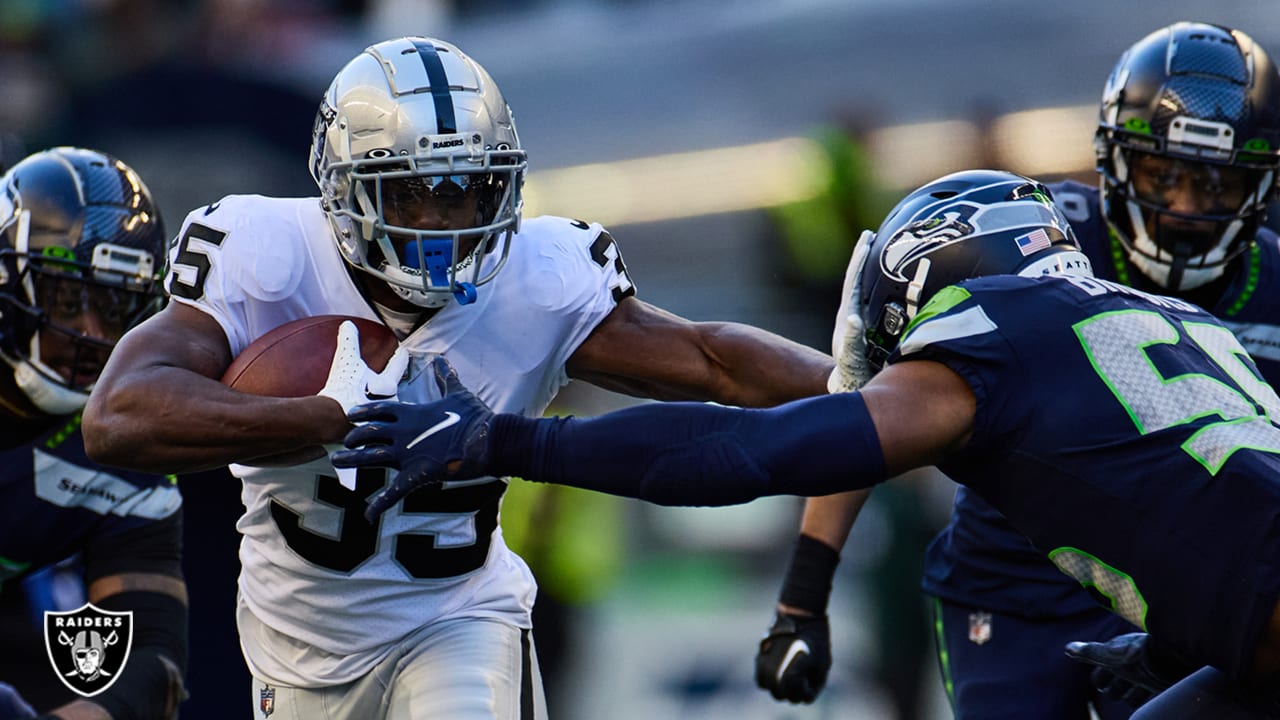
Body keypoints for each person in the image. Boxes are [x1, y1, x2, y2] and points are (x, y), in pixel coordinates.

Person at [334, 168, 1280, 719]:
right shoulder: (1153, 318)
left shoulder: (992, 342)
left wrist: (504, 440)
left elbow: (749, 454)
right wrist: (1185, 634)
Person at [79, 36, 832, 720]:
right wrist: (321, 418)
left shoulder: (539, 278)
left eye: (462, 189)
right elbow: (116, 419)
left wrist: (865, 386)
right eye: (409, 191)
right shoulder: (264, 252)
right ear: (342, 188)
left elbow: (711, 359)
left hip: (460, 618)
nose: (439, 224)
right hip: (295, 643)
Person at [750, 20, 1280, 720]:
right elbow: (868, 406)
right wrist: (803, 594)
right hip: (1011, 590)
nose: (1184, 207)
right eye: (1164, 174)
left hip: (1181, 605)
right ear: (1115, 159)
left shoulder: (1273, 279)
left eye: (1216, 184)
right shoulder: (1026, 236)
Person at [0, 147, 186, 719]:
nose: (91, 332)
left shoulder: (126, 453)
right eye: (67, 296)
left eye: (115, 305)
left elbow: (154, 666)